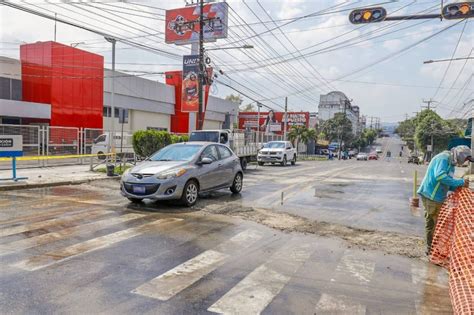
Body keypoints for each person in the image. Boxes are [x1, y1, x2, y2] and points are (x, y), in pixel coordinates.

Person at [417, 145, 472, 254]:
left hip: (438, 197)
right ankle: (432, 250)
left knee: (436, 224)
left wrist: (457, 187)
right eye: (466, 159)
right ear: (461, 155)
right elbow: (440, 176)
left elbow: (448, 182)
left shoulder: (451, 163)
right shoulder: (443, 158)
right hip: (431, 195)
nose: (466, 161)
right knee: (435, 224)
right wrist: (459, 182)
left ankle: (432, 249)